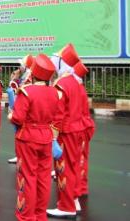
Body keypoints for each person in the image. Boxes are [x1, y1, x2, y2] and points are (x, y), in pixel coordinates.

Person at [8, 54, 59, 221]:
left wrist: (10, 116)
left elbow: (18, 118)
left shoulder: (27, 91)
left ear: (34, 73)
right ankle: (40, 214)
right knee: (43, 178)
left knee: (27, 177)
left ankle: (26, 215)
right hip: (46, 137)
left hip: (27, 137)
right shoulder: (54, 92)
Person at [47, 43, 83, 218]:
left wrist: (53, 138)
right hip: (76, 129)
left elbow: (57, 115)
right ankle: (73, 199)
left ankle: (66, 206)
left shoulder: (61, 84)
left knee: (64, 168)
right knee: (74, 166)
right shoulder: (74, 82)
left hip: (65, 132)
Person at [72, 61, 95, 199]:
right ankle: (82, 186)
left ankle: (78, 188)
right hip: (84, 126)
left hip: (79, 127)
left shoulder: (76, 88)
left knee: (78, 159)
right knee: (81, 158)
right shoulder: (80, 87)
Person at [7, 54, 34, 164]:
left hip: (25, 110)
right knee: (18, 133)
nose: (20, 67)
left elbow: (20, 92)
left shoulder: (29, 77)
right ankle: (19, 155)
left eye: (21, 65)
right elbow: (13, 86)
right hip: (19, 107)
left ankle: (23, 156)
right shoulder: (24, 76)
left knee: (22, 133)